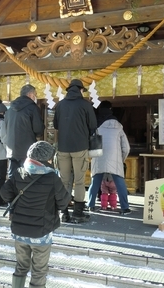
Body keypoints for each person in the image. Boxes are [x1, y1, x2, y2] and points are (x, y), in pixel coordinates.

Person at [0, 141, 70, 288]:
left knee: (21, 267)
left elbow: (4, 192)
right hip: (41, 232)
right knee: (39, 270)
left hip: (19, 231)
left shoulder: (18, 172)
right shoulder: (52, 178)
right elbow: (63, 202)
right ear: (47, 159)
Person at [53, 79, 97, 223]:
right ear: (80, 90)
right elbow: (93, 125)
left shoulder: (60, 105)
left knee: (64, 181)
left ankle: (64, 213)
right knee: (79, 181)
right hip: (80, 146)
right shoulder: (85, 104)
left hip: (63, 148)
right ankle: (78, 214)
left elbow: (55, 125)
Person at [88, 100, 131, 214]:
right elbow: (126, 148)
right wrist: (121, 160)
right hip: (115, 159)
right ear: (111, 110)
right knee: (120, 183)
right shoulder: (119, 127)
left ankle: (91, 205)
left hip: (99, 157)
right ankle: (125, 208)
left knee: (95, 182)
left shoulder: (96, 126)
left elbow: (91, 144)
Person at [5, 84, 45, 178]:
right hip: (27, 148)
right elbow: (38, 129)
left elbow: (6, 126)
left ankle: (12, 193)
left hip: (11, 148)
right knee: (27, 176)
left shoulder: (10, 109)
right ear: (30, 94)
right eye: (35, 94)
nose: (36, 96)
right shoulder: (32, 108)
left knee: (13, 177)